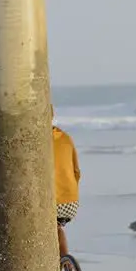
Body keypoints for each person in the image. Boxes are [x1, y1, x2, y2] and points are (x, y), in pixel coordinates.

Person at [52, 105, 81, 257]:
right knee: (56, 227)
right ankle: (65, 261)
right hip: (71, 202)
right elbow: (77, 172)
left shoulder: (34, 143)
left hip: (52, 202)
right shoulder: (65, 138)